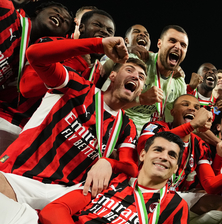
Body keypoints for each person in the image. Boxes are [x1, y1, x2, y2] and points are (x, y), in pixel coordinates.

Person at [0, 131, 189, 224]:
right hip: (28, 220)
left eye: (172, 155)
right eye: (158, 150)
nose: (164, 157)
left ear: (176, 168)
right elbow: (54, 211)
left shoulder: (175, 206)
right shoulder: (112, 180)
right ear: (143, 154)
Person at [0, 35, 144, 209]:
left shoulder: (127, 127)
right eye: (129, 70)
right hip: (18, 177)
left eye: (142, 77)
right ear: (113, 75)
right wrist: (97, 44)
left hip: (61, 196)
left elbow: (131, 168)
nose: (136, 77)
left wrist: (108, 162)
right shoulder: (77, 86)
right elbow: (35, 56)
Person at [0, 0, 73, 148]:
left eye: (66, 21)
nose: (61, 17)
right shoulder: (7, 13)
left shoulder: (38, 59)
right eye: (56, 10)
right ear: (39, 10)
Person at [125, 25, 189, 130]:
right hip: (119, 126)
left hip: (149, 134)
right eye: (172, 41)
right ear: (159, 43)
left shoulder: (179, 82)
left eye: (183, 45)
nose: (178, 47)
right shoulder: (138, 62)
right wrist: (140, 99)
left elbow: (173, 122)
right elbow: (109, 102)